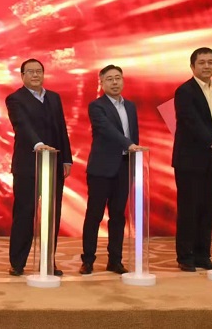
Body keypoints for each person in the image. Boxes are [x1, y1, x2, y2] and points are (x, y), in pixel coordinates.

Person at [5, 58, 72, 276]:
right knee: (24, 214)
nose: (35, 75)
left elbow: (61, 128)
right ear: (22, 75)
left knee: (52, 215)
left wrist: (66, 159)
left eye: (39, 71)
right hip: (28, 166)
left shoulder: (54, 97)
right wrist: (39, 145)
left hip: (53, 164)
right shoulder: (15, 99)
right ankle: (17, 263)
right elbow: (22, 125)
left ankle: (48, 261)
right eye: (30, 72)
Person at [172, 47, 212, 272]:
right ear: (192, 66)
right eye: (202, 62)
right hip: (190, 160)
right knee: (189, 208)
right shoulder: (184, 91)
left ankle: (202, 254)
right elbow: (191, 123)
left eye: (210, 62)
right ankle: (185, 256)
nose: (207, 66)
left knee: (208, 209)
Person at [80, 65, 139, 275]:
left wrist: (134, 158)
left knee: (118, 217)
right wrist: (128, 144)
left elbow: (134, 135)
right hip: (101, 169)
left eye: (118, 78)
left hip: (124, 167)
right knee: (94, 215)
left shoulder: (130, 106)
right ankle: (88, 260)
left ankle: (115, 260)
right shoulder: (96, 106)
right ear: (102, 83)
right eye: (110, 79)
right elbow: (106, 129)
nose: (115, 82)